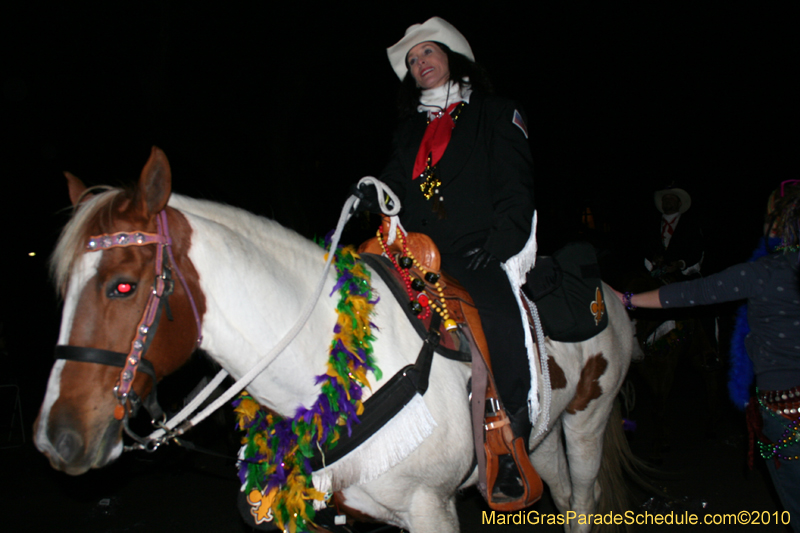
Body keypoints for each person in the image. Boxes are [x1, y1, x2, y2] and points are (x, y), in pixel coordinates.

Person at [357, 17, 536, 498]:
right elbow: (394, 183)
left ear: (452, 58)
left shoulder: (497, 112)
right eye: (413, 60)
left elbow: (517, 188)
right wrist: (373, 190)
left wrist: (498, 246)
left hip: (480, 250)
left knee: (498, 317)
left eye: (428, 53)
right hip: (420, 253)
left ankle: (511, 435)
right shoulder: (408, 132)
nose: (420, 63)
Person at [613, 181, 800, 532]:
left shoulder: (746, 263)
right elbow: (641, 252)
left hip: (687, 279)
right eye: (666, 198)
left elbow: (698, 273)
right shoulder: (653, 228)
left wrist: (639, 290)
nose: (669, 202)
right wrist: (653, 264)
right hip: (659, 278)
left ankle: (710, 351)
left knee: (706, 314)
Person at [645, 185, 705, 283]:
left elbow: (697, 249)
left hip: (682, 276)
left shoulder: (690, 224)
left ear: (679, 203)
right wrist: (654, 258)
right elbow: (645, 246)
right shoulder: (652, 224)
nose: (668, 201)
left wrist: (680, 263)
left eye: (672, 198)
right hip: (656, 275)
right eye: (665, 199)